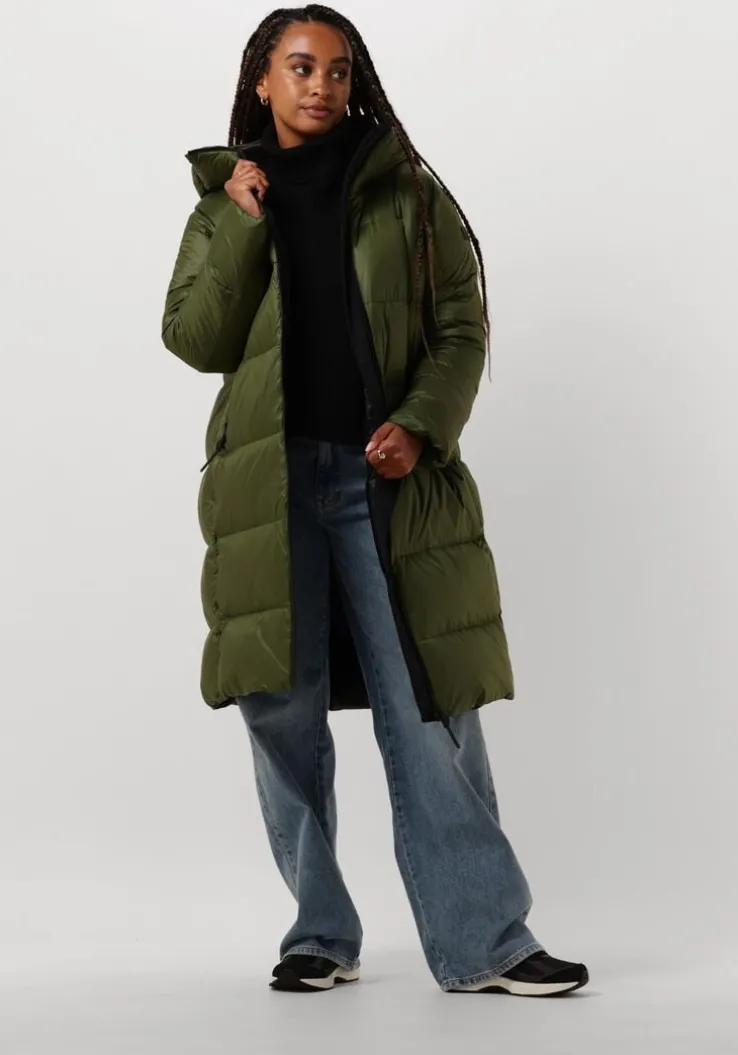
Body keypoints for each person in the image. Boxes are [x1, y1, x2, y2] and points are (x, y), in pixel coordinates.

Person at [161, 4, 589, 997]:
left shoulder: (406, 191)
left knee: (431, 705)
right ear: (262, 79)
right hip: (267, 487)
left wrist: (420, 423)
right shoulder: (226, 202)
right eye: (300, 66)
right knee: (282, 715)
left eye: (338, 69)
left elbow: (460, 328)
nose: (321, 85)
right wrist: (239, 220)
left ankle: (487, 938)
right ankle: (319, 932)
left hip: (384, 481)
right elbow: (195, 339)